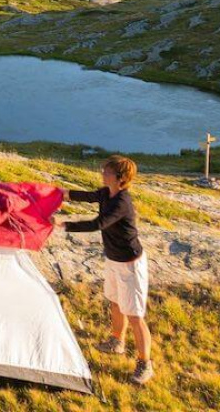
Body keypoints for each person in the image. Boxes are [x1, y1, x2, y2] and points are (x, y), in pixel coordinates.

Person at [62, 155, 154, 385]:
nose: (102, 172)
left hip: (130, 264)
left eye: (107, 171)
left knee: (134, 315)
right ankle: (117, 341)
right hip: (113, 259)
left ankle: (145, 364)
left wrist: (64, 225)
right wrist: (60, 193)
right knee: (115, 302)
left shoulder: (122, 202)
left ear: (120, 178)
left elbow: (98, 224)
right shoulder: (106, 193)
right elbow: (87, 196)